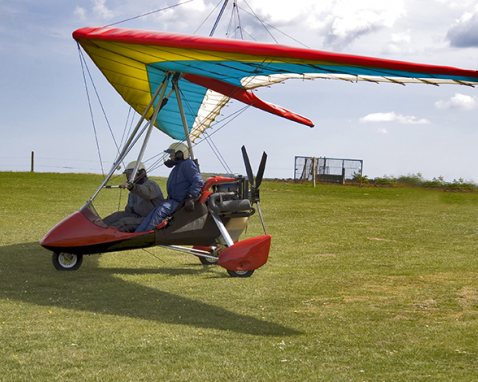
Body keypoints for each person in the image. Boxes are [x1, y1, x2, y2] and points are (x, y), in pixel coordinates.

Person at [135, 142, 204, 232]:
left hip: (181, 201)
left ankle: (145, 233)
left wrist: (190, 197)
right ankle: (138, 232)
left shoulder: (187, 164)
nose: (170, 157)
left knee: (160, 211)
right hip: (173, 200)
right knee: (155, 211)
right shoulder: (177, 168)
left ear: (180, 154)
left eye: (172, 154)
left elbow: (198, 181)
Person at [103, 161, 164, 232]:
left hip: (151, 219)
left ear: (141, 173)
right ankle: (95, 230)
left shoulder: (151, 184)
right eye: (128, 175)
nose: (129, 178)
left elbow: (147, 193)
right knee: (116, 216)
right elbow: (129, 211)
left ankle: (104, 236)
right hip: (137, 217)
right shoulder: (133, 192)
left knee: (123, 223)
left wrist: (133, 187)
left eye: (131, 175)